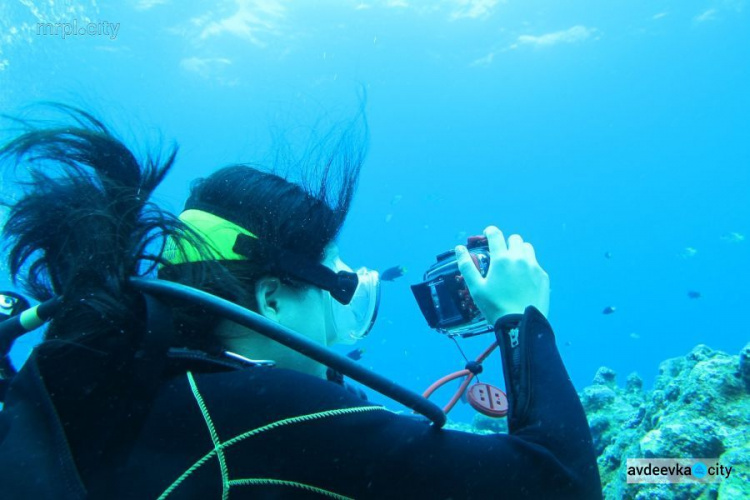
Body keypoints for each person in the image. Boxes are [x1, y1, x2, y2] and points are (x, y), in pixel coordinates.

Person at [0, 108, 602, 499]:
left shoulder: (151, 388)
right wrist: (522, 318)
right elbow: (562, 484)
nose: (344, 321)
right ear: (271, 299)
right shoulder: (269, 410)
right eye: (334, 290)